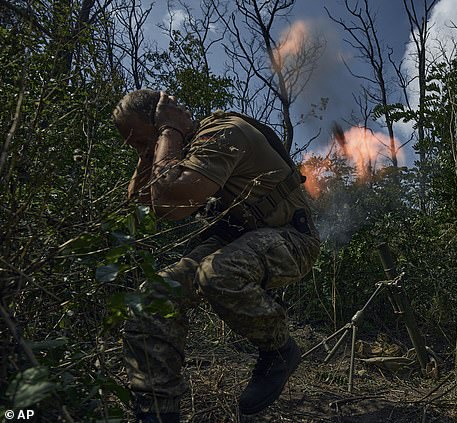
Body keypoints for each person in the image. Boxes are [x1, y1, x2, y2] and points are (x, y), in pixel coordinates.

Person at [112, 89, 320, 422]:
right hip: (235, 240)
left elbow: (169, 201)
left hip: (292, 240)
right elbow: (139, 199)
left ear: (164, 122)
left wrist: (168, 132)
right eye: (135, 146)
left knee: (217, 273)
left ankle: (279, 350)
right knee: (153, 297)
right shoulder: (183, 144)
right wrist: (151, 148)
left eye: (143, 141)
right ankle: (156, 411)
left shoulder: (222, 134)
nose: (143, 151)